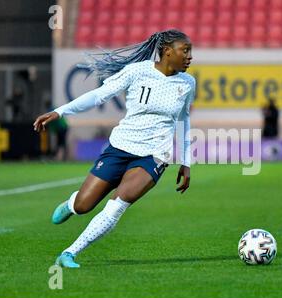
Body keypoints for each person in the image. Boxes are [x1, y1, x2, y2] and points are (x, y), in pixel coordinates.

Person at [33, 29, 194, 268]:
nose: (190, 56)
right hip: (120, 147)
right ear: (167, 52)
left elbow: (184, 120)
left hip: (154, 156)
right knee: (84, 206)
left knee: (118, 204)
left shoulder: (188, 83)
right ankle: (72, 203)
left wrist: (187, 161)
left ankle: (69, 253)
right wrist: (61, 111)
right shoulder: (137, 71)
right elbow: (99, 96)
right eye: (185, 50)